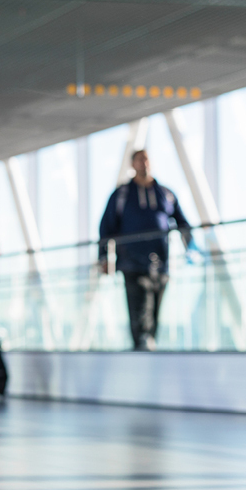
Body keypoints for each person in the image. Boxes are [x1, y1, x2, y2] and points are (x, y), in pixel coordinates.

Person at [99, 150, 192, 351]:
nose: (144, 163)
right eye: (140, 159)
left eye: (147, 159)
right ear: (133, 165)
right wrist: (104, 258)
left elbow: (182, 222)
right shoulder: (122, 194)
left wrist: (190, 247)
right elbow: (106, 227)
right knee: (140, 313)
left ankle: (148, 350)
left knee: (155, 312)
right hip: (132, 263)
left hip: (161, 264)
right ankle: (141, 350)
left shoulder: (165, 193)